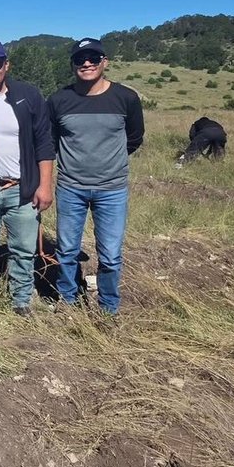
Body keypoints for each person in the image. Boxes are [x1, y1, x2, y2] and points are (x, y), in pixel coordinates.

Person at [49, 38, 144, 315]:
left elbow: (134, 138)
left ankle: (108, 308)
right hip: (70, 188)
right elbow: (51, 142)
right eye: (80, 59)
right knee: (66, 251)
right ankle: (67, 301)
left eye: (93, 58)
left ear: (105, 62)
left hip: (112, 189)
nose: (87, 64)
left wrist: (109, 163)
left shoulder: (126, 98)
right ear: (73, 65)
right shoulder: (59, 100)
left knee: (111, 256)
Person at [0, 40, 55, 316]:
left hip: (23, 187)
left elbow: (44, 143)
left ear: (6, 65)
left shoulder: (27, 95)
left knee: (23, 248)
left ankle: (21, 300)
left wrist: (45, 185)